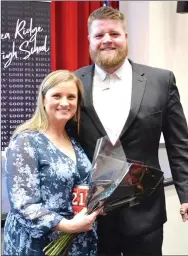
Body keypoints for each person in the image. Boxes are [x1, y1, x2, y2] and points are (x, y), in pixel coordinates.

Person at [74, 6, 188, 256]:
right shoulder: (73, 83)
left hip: (145, 214)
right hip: (91, 217)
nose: (107, 40)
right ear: (89, 41)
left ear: (126, 37)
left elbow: (179, 146)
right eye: (99, 35)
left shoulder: (161, 81)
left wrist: (186, 194)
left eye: (114, 34)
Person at [3, 70, 101, 256]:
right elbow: (23, 204)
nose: (65, 103)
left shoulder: (75, 139)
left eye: (71, 97)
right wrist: (68, 226)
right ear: (43, 99)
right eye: (57, 95)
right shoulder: (26, 141)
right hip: (39, 245)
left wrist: (97, 202)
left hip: (78, 241)